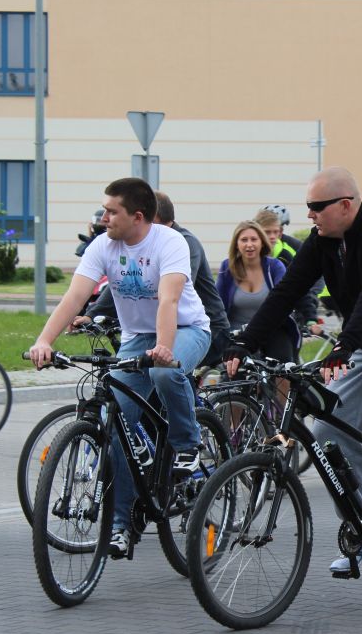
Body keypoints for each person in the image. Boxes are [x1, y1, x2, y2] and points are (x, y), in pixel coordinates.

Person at [226, 167, 362, 573]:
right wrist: (245, 343)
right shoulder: (323, 241)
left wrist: (344, 345)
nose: (309, 214)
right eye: (308, 207)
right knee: (328, 431)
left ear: (345, 205)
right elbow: (286, 293)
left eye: (316, 207)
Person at [28, 177, 211, 558]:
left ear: (137, 216)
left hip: (186, 329)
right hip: (137, 337)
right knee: (113, 424)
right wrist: (45, 341)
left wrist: (164, 348)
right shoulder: (103, 245)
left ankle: (187, 445)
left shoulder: (169, 242)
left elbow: (168, 300)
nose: (103, 218)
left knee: (164, 372)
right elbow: (74, 296)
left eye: (112, 212)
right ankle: (121, 524)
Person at [77, 190, 230, 367]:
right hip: (156, 327)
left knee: (166, 372)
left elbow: (171, 292)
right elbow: (126, 283)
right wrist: (92, 314)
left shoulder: (183, 242)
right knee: (126, 373)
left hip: (203, 328)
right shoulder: (139, 243)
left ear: (151, 217)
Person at [216, 220, 300, 363]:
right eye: (244, 240)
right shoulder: (227, 267)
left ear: (262, 242)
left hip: (271, 329)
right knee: (237, 372)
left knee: (282, 369)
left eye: (254, 239)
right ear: (236, 244)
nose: (249, 244)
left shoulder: (275, 267)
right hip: (236, 334)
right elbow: (218, 305)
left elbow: (283, 302)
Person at [253, 205, 322, 337]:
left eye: (276, 232)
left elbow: (299, 286)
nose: (272, 237)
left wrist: (310, 318)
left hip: (279, 320)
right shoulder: (242, 258)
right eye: (267, 232)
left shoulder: (285, 256)